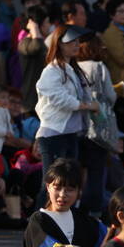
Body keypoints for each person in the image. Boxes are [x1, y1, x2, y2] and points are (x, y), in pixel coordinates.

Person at [35, 25, 98, 190]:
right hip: (53, 134)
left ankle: (63, 216)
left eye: (78, 41)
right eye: (71, 41)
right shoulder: (51, 70)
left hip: (70, 134)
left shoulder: (73, 70)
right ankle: (40, 216)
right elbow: (59, 98)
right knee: (51, 186)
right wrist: (86, 105)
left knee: (68, 184)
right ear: (59, 44)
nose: (77, 45)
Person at [75, 33, 120, 216]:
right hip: (97, 126)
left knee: (79, 168)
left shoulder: (73, 67)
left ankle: (77, 206)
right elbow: (110, 96)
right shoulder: (99, 67)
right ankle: (94, 207)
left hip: (77, 124)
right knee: (96, 170)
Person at [24, 158, 106, 247]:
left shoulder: (87, 222)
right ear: (48, 187)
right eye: (57, 188)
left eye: (70, 190)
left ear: (79, 191)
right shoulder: (38, 222)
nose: (62, 195)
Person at [18, 5, 51, 110]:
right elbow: (36, 47)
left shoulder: (41, 42)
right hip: (31, 99)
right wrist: (34, 28)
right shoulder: (25, 43)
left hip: (41, 97)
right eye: (47, 22)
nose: (49, 26)